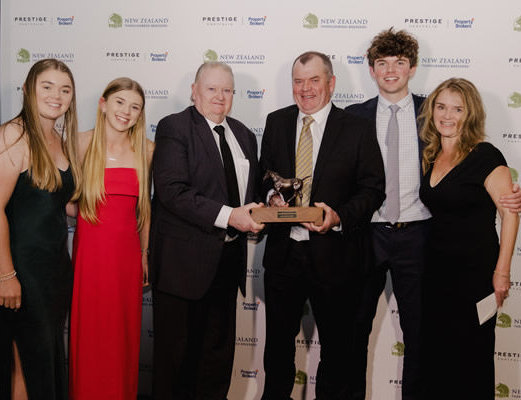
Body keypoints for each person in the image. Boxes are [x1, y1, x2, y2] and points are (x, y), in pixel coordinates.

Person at [346, 29, 521, 400]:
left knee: (421, 339)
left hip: (420, 241)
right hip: (368, 237)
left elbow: (475, 167)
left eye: (399, 63)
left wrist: (510, 196)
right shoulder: (353, 118)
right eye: (382, 63)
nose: (391, 71)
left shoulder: (432, 111)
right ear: (371, 69)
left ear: (412, 68)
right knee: (352, 332)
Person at [259, 51, 385, 399]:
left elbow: (373, 188)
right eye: (298, 81)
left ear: (331, 83)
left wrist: (339, 216)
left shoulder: (357, 128)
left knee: (337, 354)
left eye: (314, 80)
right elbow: (264, 176)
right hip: (284, 256)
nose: (306, 89)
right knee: (278, 352)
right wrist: (271, 196)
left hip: (337, 257)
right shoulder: (276, 121)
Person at [150, 62, 264, 399]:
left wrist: (265, 207)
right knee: (176, 361)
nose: (220, 96)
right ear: (194, 91)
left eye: (227, 90)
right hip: (182, 265)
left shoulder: (243, 134)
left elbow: (248, 193)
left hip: (227, 262)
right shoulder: (175, 127)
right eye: (212, 89)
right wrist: (231, 217)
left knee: (216, 358)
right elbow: (172, 191)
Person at [0, 58, 81, 400]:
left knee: (42, 360)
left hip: (54, 269)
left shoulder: (57, 138)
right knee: (28, 361)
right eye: (48, 86)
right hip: (21, 270)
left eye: (65, 89)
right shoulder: (12, 135)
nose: (57, 95)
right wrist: (6, 275)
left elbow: (60, 204)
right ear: (28, 90)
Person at [418, 78, 519, 399]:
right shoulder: (431, 154)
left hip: (475, 277)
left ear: (470, 114)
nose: (448, 115)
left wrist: (501, 272)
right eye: (441, 106)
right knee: (438, 362)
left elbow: (510, 214)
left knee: (471, 361)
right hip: (435, 274)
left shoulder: (486, 156)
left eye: (457, 109)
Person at [68, 78, 153, 399]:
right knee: (90, 337)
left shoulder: (147, 150)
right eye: (120, 102)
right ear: (103, 103)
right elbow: (62, 199)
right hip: (90, 256)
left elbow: (144, 209)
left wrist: (145, 253)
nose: (126, 112)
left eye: (134, 107)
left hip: (127, 259)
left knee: (122, 338)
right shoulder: (79, 143)